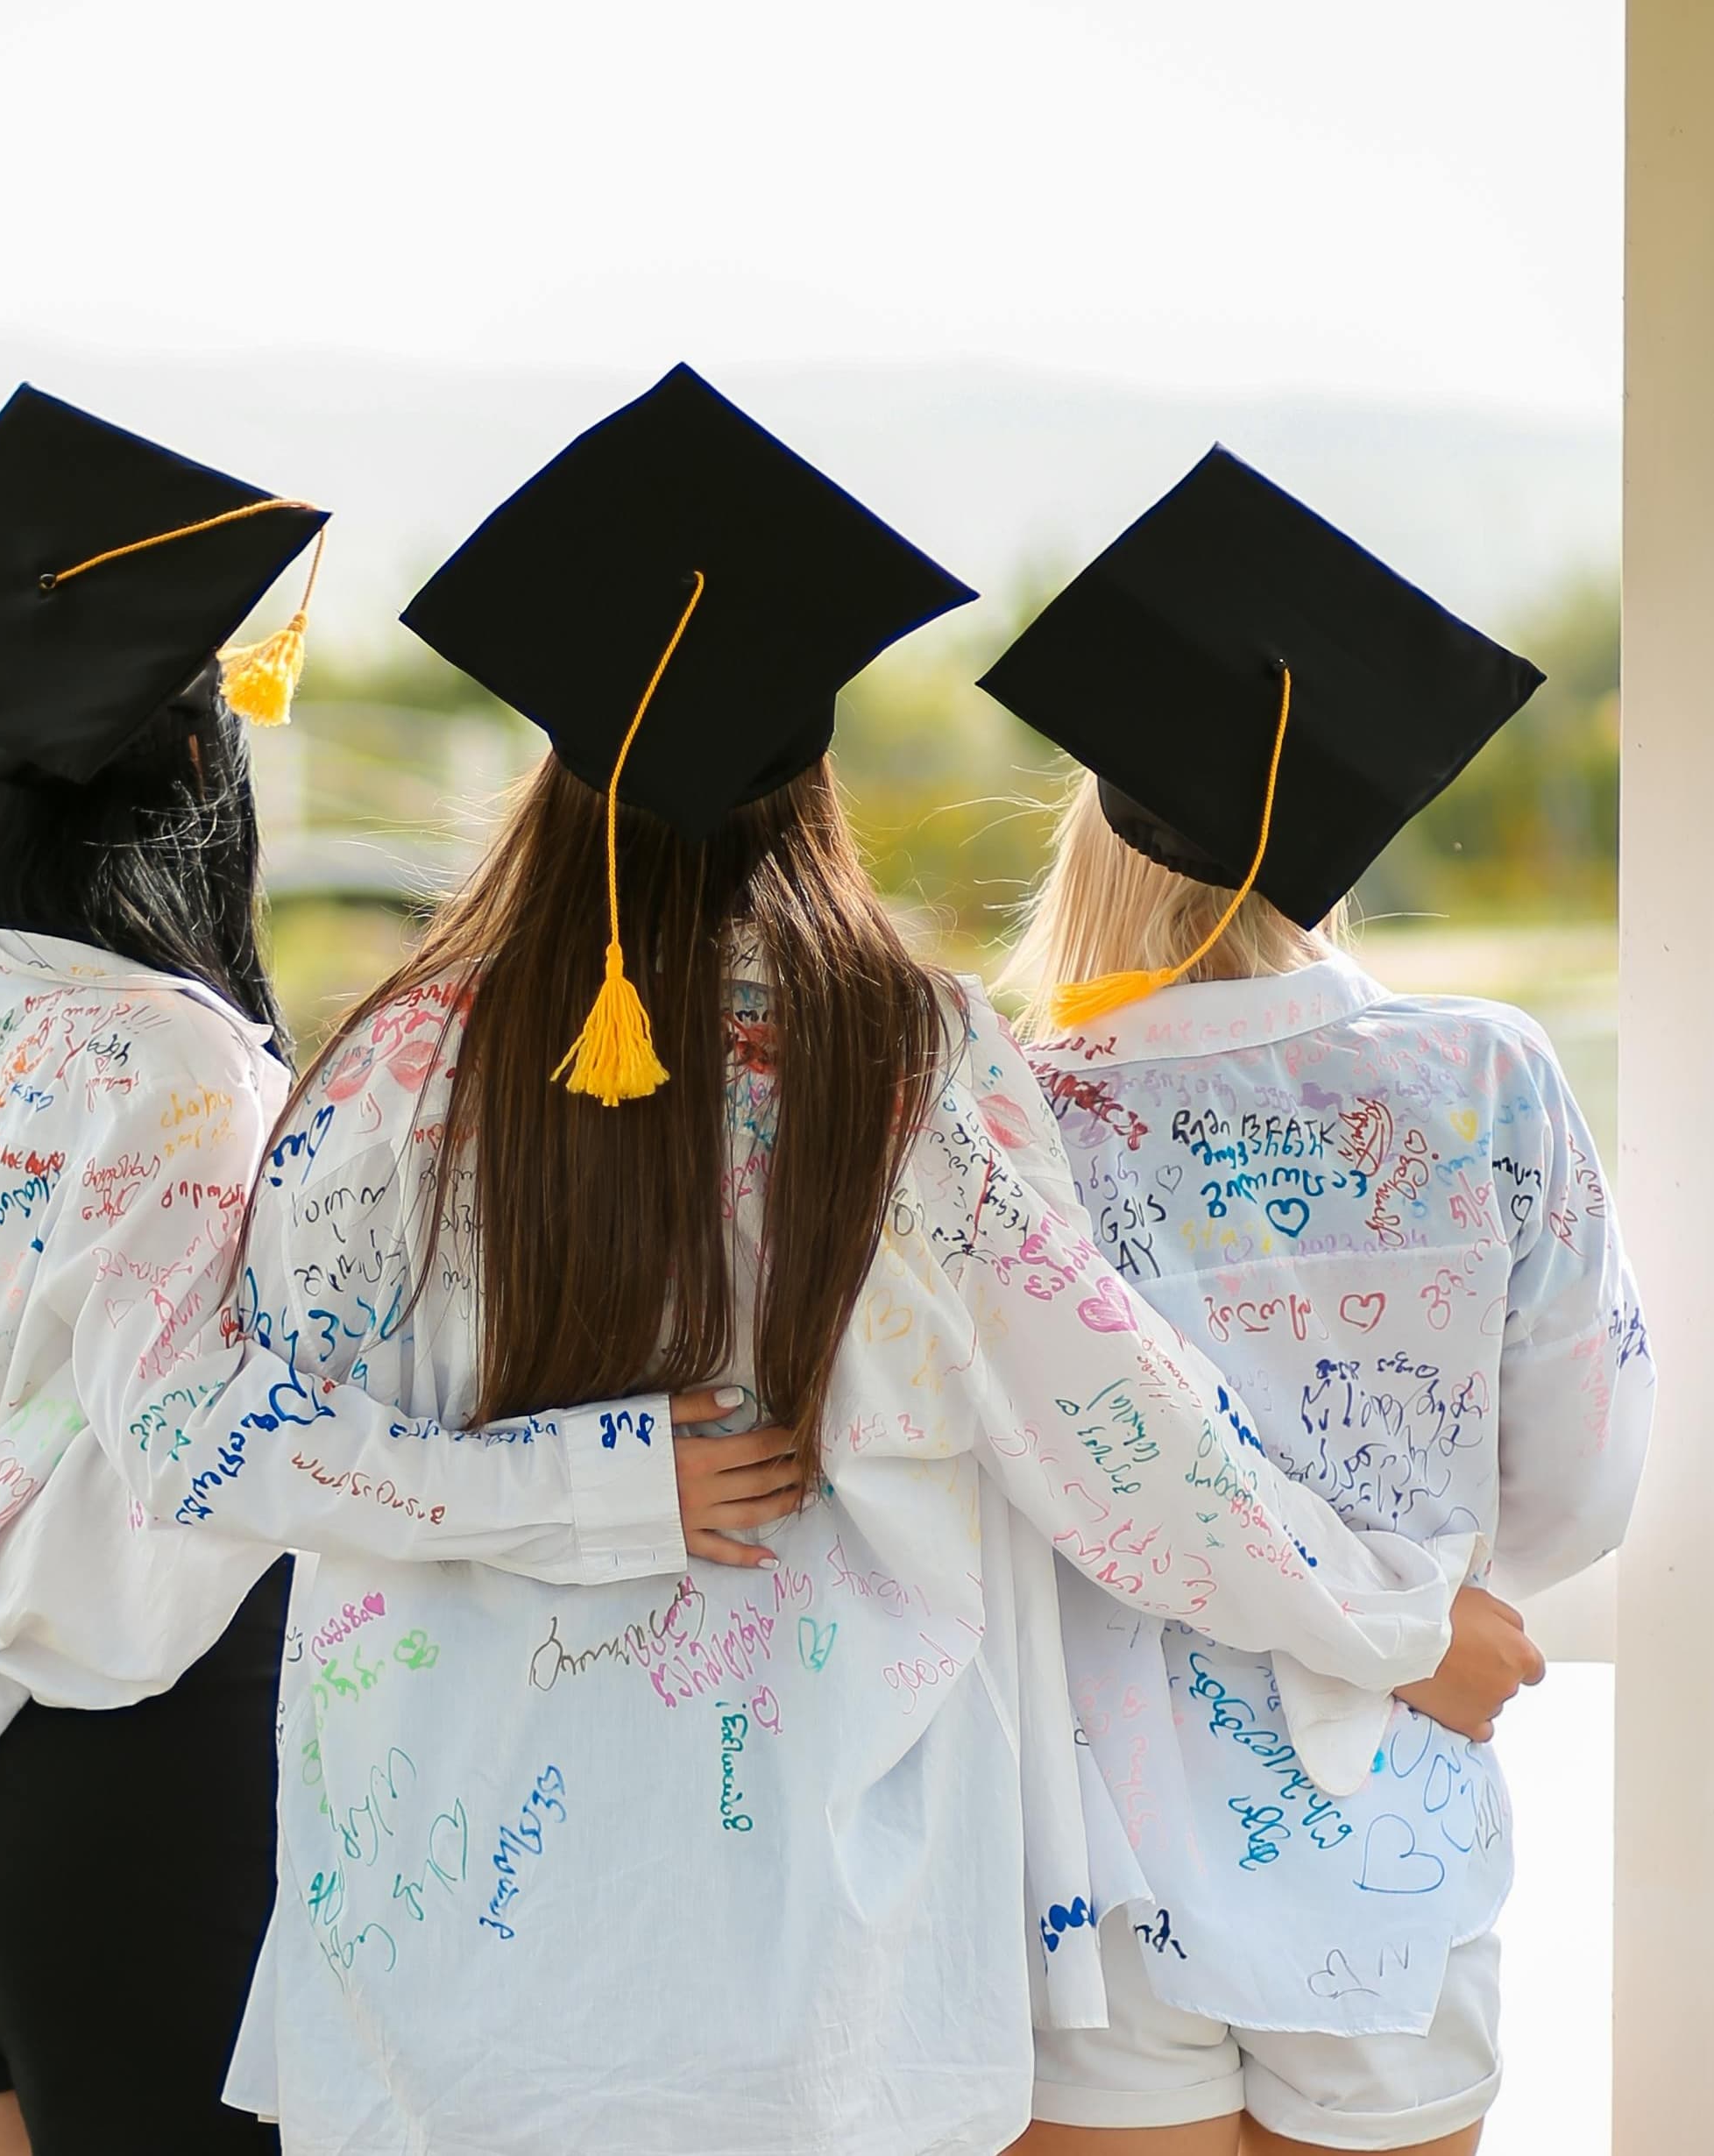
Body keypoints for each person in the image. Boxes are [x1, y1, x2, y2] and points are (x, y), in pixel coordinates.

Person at [214, 366, 1537, 2156]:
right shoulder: (897, 1058)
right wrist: (1388, 1628)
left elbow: (218, 1442)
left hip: (437, 1960)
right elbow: (1118, 1441)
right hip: (807, 1973)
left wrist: (563, 1483)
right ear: (809, 772)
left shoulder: (392, 1067)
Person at [0, 387, 788, 2156]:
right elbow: (206, 1445)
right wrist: (602, 1483)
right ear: (197, 786)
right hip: (117, 1782)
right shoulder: (168, 1060)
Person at [978, 449, 1654, 2156]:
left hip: (1096, 1840)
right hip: (1386, 1827)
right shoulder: (1484, 1079)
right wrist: (1428, 1590)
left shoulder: (1016, 1120)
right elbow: (1584, 1481)